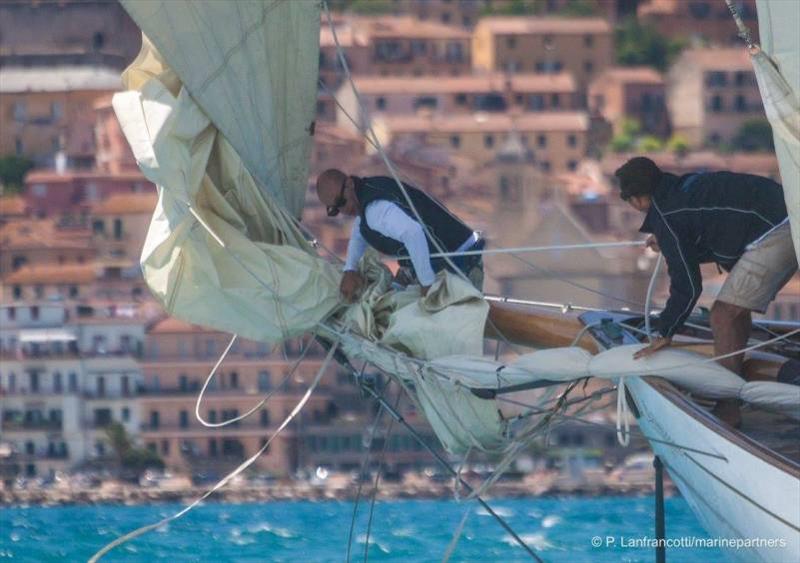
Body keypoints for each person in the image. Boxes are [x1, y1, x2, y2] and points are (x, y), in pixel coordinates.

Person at [615, 157, 797, 425]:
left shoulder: (668, 217)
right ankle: (733, 386)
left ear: (637, 199)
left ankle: (728, 406)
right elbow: (706, 228)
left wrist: (665, 332)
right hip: (786, 215)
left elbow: (688, 285)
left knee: (722, 315)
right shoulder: (678, 189)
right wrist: (668, 239)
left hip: (778, 230)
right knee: (734, 310)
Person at [315, 168, 485, 301]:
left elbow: (412, 233)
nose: (343, 210)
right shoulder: (367, 193)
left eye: (341, 202)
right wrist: (350, 269)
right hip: (452, 257)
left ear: (350, 183)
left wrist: (427, 285)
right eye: (335, 209)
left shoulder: (374, 209)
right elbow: (360, 231)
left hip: (458, 263)